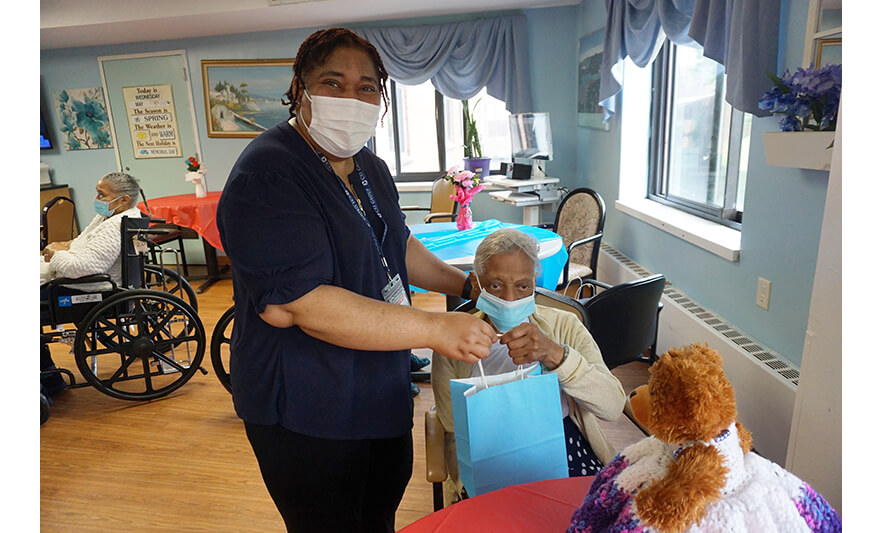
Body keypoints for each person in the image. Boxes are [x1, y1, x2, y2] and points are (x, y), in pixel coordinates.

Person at [215, 27, 496, 533]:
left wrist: (467, 287)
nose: (352, 97)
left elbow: (396, 242)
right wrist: (436, 330)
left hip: (376, 386)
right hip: (307, 404)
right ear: (300, 90)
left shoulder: (369, 165)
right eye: (333, 82)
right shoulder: (270, 176)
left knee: (378, 510)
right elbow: (303, 305)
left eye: (367, 86)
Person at [431, 228, 628, 506]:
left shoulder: (564, 327)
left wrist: (555, 355)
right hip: (487, 451)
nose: (510, 298)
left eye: (523, 286)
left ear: (535, 283)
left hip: (562, 443)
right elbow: (451, 421)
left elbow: (612, 405)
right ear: (477, 283)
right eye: (496, 286)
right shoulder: (454, 340)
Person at [40, 171, 143, 397]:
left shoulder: (114, 226)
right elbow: (81, 244)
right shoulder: (106, 218)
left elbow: (83, 268)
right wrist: (65, 244)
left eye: (101, 195)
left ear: (123, 199)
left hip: (92, 290)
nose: (96, 200)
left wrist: (57, 253)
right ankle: (49, 378)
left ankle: (46, 379)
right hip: (81, 283)